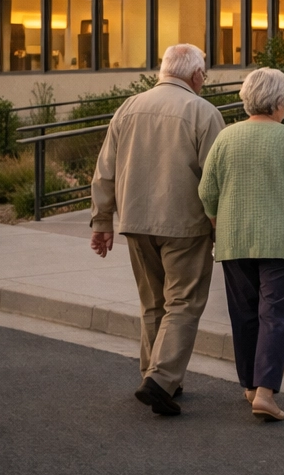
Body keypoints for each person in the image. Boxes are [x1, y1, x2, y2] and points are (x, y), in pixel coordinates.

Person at [89, 43, 225, 417]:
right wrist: (221, 228)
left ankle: (156, 375)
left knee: (153, 303)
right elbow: (215, 180)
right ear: (196, 75)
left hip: (135, 222)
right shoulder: (203, 112)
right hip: (185, 224)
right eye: (205, 75)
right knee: (183, 302)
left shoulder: (128, 108)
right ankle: (161, 379)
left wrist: (103, 221)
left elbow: (105, 169)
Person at [198, 67, 284, 422]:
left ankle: (249, 385)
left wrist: (220, 224)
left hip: (235, 240)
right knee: (276, 316)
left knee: (244, 315)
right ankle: (266, 392)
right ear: (277, 102)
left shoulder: (226, 138)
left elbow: (206, 192)